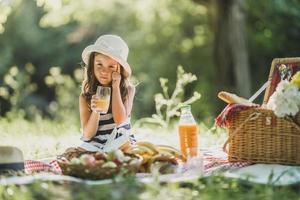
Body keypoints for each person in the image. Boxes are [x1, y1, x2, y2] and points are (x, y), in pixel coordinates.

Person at [79, 34, 135, 152]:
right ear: (92, 64)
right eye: (99, 64)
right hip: (95, 146)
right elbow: (88, 135)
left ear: (120, 69)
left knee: (131, 153)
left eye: (111, 66)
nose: (104, 71)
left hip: (120, 143)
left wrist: (115, 87)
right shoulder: (85, 97)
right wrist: (96, 111)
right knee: (72, 153)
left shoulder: (128, 90)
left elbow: (120, 121)